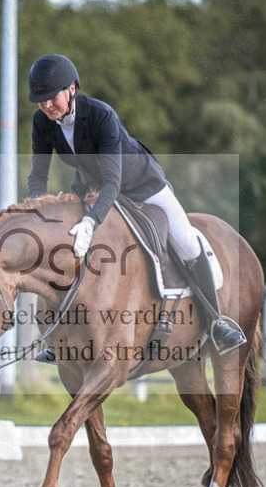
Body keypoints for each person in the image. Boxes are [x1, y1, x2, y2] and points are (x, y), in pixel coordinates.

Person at [25, 53, 246, 354]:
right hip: (92, 188)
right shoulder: (43, 122)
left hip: (143, 187)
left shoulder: (102, 115)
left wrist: (91, 222)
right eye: (40, 100)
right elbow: (38, 175)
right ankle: (61, 337)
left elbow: (113, 183)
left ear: (72, 88)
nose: (47, 105)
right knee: (64, 245)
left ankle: (217, 322)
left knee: (188, 244)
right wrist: (38, 211)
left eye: (52, 98)